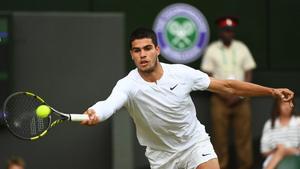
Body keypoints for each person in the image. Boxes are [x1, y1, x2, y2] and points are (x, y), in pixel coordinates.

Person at [81, 27, 294, 169]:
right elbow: (108, 104)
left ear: (157, 49)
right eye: (137, 51)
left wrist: (271, 91)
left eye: (147, 48)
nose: (143, 55)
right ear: (132, 55)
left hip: (194, 144)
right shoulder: (127, 85)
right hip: (161, 155)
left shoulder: (182, 73)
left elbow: (228, 86)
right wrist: (96, 113)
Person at [200, 16, 256, 169]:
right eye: (225, 30)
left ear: (233, 32)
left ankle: (246, 166)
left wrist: (240, 93)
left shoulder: (242, 48)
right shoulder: (212, 49)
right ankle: (221, 166)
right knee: (220, 138)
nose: (228, 33)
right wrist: (223, 95)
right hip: (219, 98)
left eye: (230, 30)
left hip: (241, 99)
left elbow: (249, 71)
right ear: (220, 32)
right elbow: (206, 75)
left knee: (243, 137)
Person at [260, 98, 300, 169]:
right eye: (283, 104)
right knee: (281, 149)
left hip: (296, 156)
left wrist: (292, 150)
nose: (287, 107)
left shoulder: (298, 122)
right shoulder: (269, 124)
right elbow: (264, 151)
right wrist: (277, 150)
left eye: (289, 103)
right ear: (277, 106)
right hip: (274, 158)